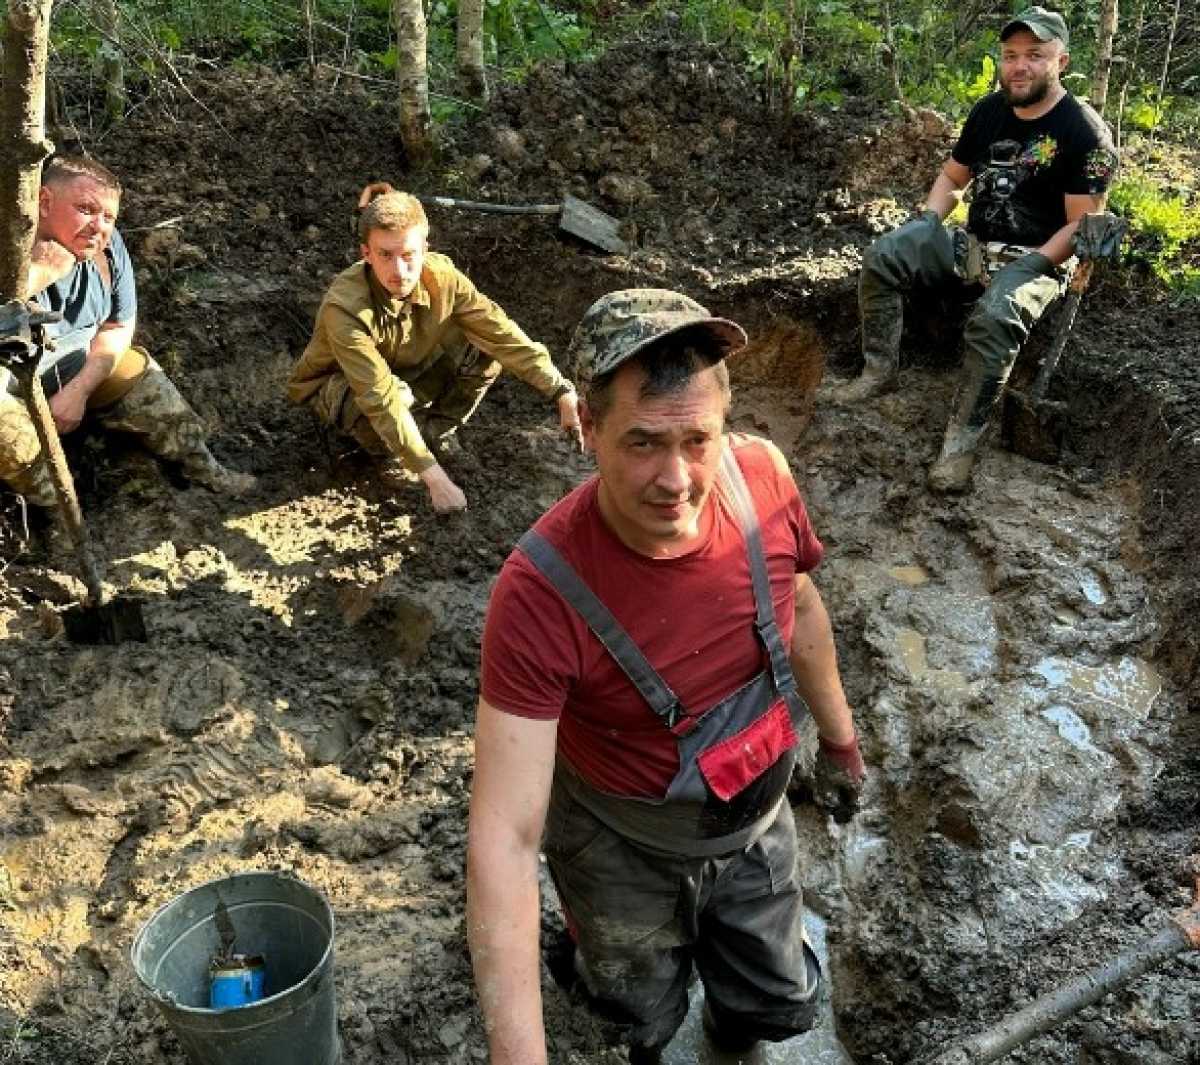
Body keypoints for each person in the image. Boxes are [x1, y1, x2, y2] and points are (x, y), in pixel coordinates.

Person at [466, 289, 867, 1064]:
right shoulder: (540, 592)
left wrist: (842, 738)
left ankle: (731, 1034)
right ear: (588, 427)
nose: (677, 479)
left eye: (698, 440)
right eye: (644, 443)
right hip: (620, 843)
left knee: (776, 1001)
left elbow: (805, 610)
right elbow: (505, 837)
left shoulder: (762, 481)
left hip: (754, 820)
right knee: (634, 1012)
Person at [836, 6, 1118, 492]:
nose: (1019, 66)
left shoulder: (1084, 132)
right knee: (887, 254)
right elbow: (952, 176)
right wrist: (928, 220)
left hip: (1039, 257)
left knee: (993, 317)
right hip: (972, 243)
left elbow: (1080, 225)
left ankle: (960, 445)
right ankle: (878, 369)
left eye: (1035, 55)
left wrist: (1030, 264)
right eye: (1010, 55)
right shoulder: (988, 112)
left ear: (1062, 61)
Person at [287, 183, 581, 513]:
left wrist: (561, 391)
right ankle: (394, 454)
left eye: (409, 255)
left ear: (425, 249)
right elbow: (379, 396)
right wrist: (435, 478)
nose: (399, 271)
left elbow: (501, 334)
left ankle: (431, 433)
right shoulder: (345, 309)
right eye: (385, 255)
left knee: (483, 350)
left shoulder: (443, 278)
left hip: (408, 370)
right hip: (340, 385)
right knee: (395, 399)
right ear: (366, 254)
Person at [0, 155, 255, 511]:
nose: (98, 227)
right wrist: (39, 275)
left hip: (74, 369)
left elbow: (118, 327)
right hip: (12, 388)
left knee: (138, 371)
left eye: (108, 217)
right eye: (86, 209)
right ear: (43, 202)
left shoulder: (108, 249)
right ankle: (59, 516)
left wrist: (78, 391)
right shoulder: (7, 247)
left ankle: (203, 468)